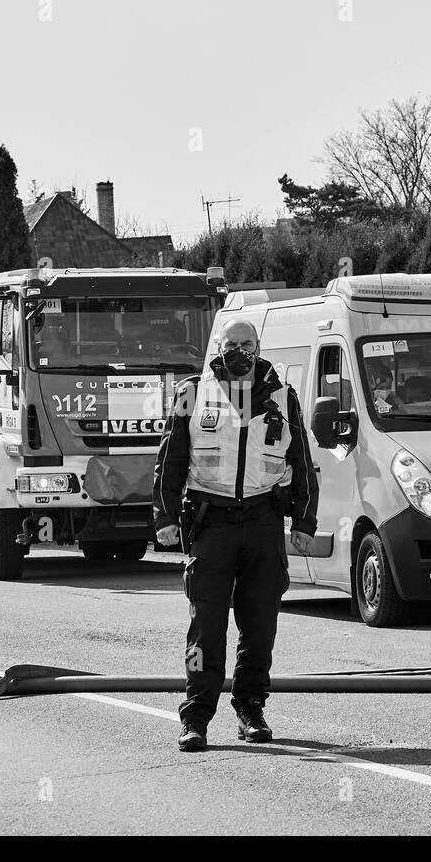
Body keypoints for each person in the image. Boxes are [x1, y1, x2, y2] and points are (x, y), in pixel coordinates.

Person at [153, 319, 319, 752]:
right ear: (218, 348)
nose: (239, 352)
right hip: (212, 521)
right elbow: (170, 459)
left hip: (263, 521)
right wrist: (165, 517)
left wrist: (303, 522)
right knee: (205, 627)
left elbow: (302, 461)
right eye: (231, 345)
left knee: (260, 623)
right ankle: (195, 718)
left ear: (259, 347)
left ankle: (251, 709)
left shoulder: (282, 396)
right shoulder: (193, 393)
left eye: (247, 345)